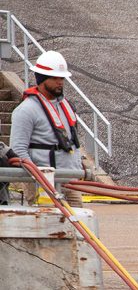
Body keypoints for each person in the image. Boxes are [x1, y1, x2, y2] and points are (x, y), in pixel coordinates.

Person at [10, 50, 88, 208]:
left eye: (62, 78)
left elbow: (72, 141)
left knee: (79, 227)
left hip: (70, 180)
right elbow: (18, 150)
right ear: (42, 79)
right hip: (44, 183)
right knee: (50, 227)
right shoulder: (26, 110)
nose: (60, 82)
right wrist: (38, 178)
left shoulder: (66, 106)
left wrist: (79, 166)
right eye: (55, 78)